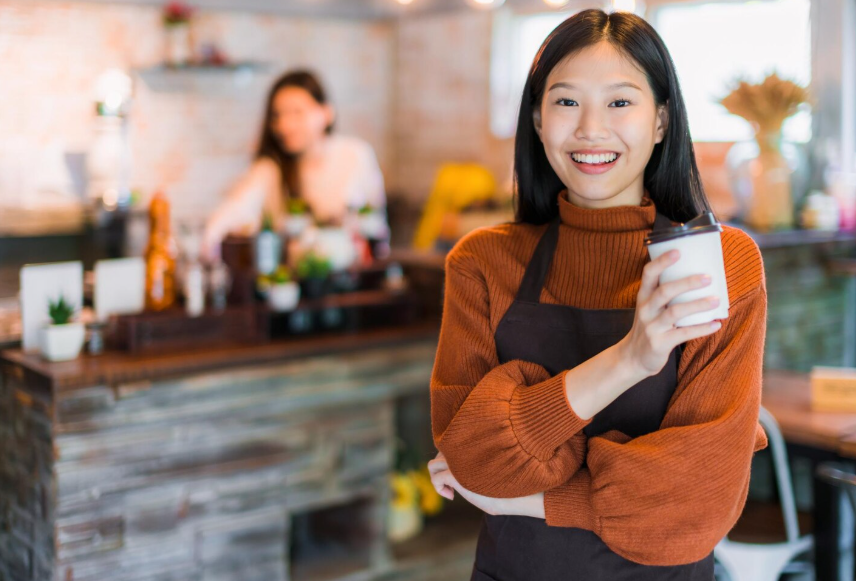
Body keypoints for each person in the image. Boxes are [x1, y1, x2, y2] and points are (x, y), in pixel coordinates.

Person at [427, 8, 769, 580]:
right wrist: (630, 360)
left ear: (660, 121)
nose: (590, 128)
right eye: (566, 101)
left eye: (619, 102)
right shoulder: (481, 263)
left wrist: (528, 497)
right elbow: (474, 461)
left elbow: (696, 504)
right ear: (538, 120)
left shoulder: (720, 263)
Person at [202, 69, 388, 261]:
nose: (285, 125)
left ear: (327, 113)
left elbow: (377, 224)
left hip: (354, 271)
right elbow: (224, 220)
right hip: (295, 276)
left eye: (296, 113)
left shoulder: (355, 155)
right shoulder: (270, 169)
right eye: (277, 115)